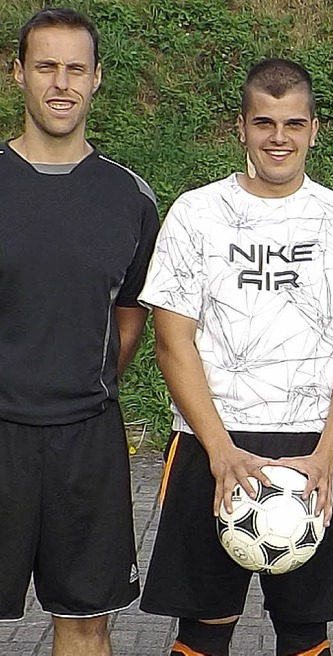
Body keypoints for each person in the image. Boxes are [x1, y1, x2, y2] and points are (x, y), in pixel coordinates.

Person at [138, 58, 333, 656]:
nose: (279, 138)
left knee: (306, 631)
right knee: (203, 627)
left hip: (312, 446)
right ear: (241, 127)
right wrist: (219, 448)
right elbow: (172, 342)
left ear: (314, 128)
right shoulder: (195, 214)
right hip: (210, 440)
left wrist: (329, 453)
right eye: (264, 123)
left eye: (293, 124)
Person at [0, 7, 159, 655]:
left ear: (96, 79)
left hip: (88, 443)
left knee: (88, 627)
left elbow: (132, 312)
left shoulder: (130, 199)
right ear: (17, 74)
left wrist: (83, 378)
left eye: (75, 68)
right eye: (45, 66)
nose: (60, 83)